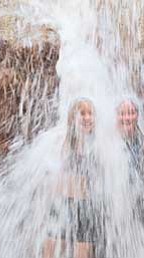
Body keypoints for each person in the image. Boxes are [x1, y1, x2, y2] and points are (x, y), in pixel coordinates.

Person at [43, 98, 97, 258]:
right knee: (50, 253)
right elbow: (48, 172)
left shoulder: (98, 144)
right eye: (82, 113)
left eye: (90, 113)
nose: (87, 118)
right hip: (61, 204)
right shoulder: (61, 140)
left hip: (86, 207)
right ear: (73, 117)